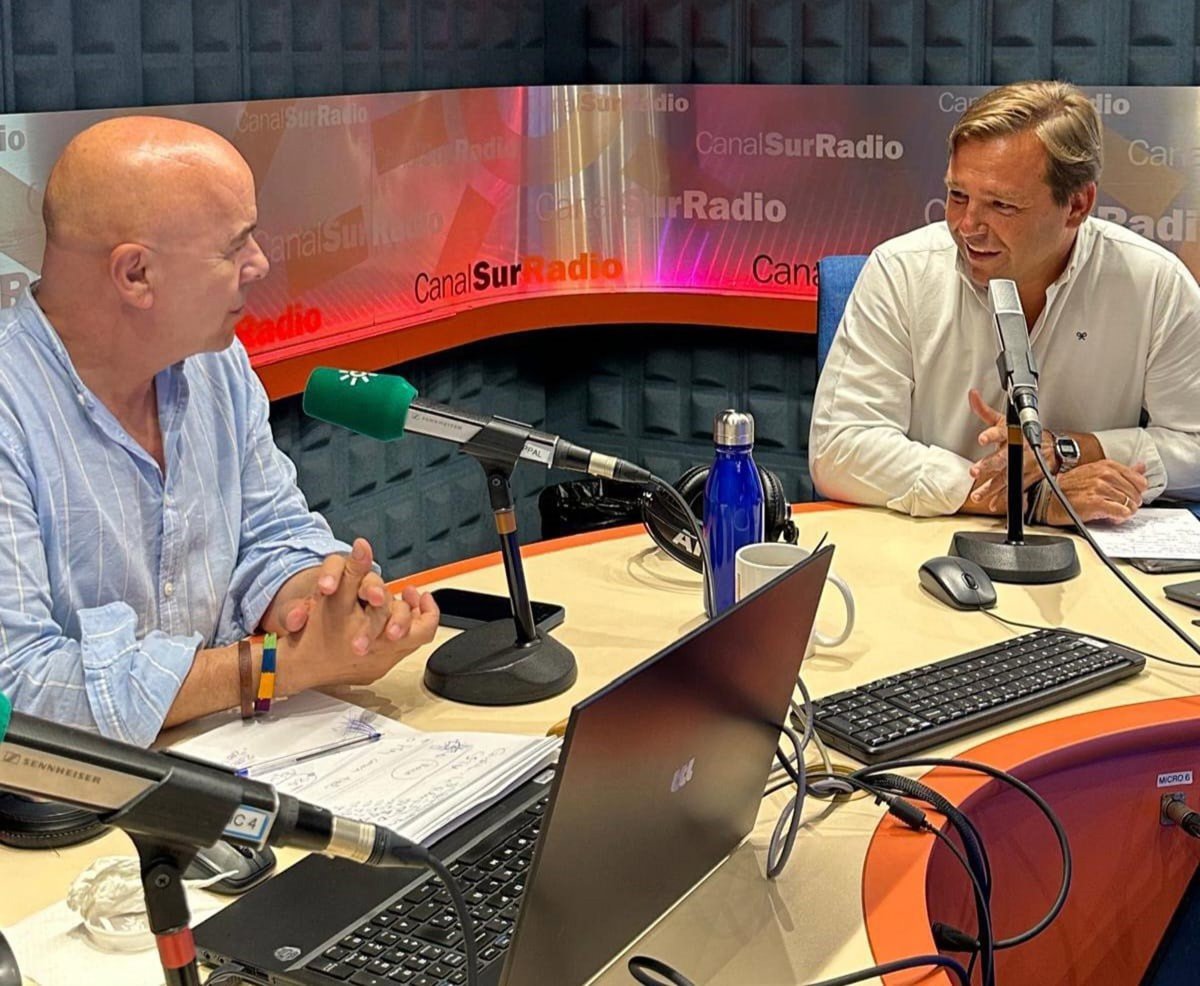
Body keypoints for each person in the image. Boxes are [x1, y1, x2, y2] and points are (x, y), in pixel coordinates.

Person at [0, 116, 439, 747]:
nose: (259, 263)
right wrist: (270, 669)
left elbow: (270, 533)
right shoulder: (10, 409)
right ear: (136, 275)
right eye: (235, 247)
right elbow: (20, 688)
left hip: (223, 754)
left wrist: (328, 606)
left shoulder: (217, 363)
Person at [810, 80, 1200, 525]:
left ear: (1077, 204)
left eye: (1001, 205)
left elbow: (1195, 444)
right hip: (926, 540)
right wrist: (1029, 499)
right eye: (958, 196)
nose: (967, 226)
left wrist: (1073, 450)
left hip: (1088, 547)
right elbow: (838, 448)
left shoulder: (1153, 282)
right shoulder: (900, 271)